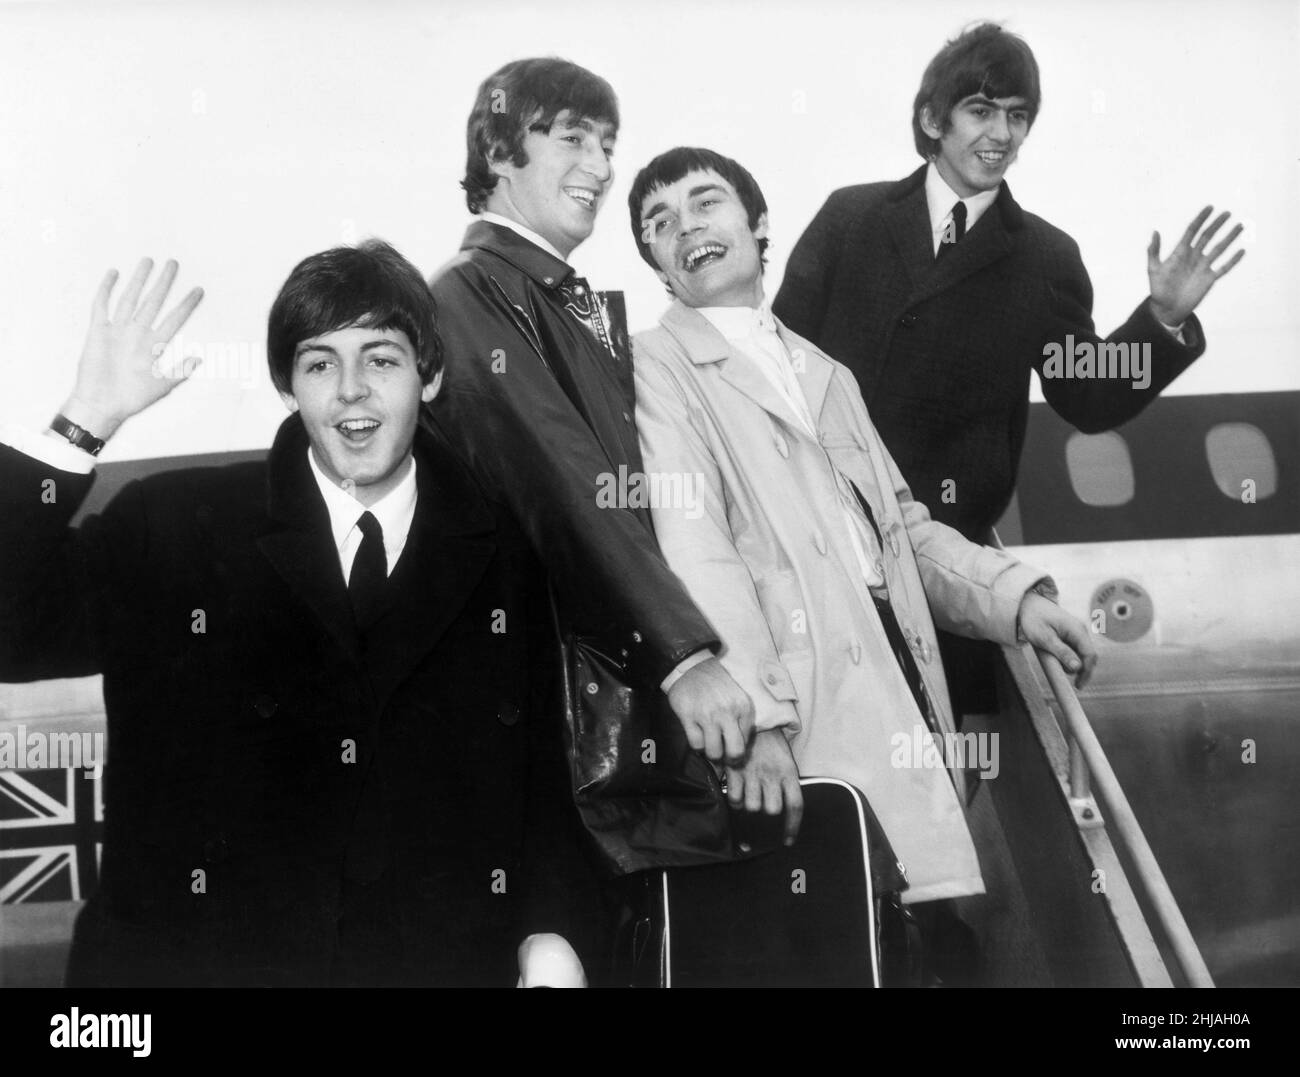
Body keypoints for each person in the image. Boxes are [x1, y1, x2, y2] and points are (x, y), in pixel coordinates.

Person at [0, 242, 593, 987]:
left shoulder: (509, 545)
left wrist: (552, 934)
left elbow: (547, 770)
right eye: (319, 364)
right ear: (289, 388)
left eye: (381, 359)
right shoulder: (174, 526)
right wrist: (84, 418)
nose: (351, 390)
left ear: (429, 375)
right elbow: (9, 628)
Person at [627, 146, 1098, 981]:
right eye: (659, 223)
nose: (685, 227)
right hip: (795, 715)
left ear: (760, 224)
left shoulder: (825, 372)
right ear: (659, 268)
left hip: (893, 681)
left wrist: (1013, 598)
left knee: (888, 942)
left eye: (706, 203)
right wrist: (754, 725)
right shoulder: (656, 365)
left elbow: (904, 533)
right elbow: (694, 544)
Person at [772, 23, 1243, 713]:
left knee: (942, 785)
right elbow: (778, 364)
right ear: (934, 119)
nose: (1002, 133)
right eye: (982, 110)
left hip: (947, 578)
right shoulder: (852, 219)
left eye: (1018, 116)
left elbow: (1088, 394)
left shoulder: (1045, 258)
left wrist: (1161, 320)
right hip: (822, 553)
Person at [426, 60, 754, 789]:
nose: (603, 167)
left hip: (599, 685)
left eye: (608, 145)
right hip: (550, 711)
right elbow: (567, 478)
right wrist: (685, 656)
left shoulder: (545, 297)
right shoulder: (469, 291)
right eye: (574, 138)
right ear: (499, 152)